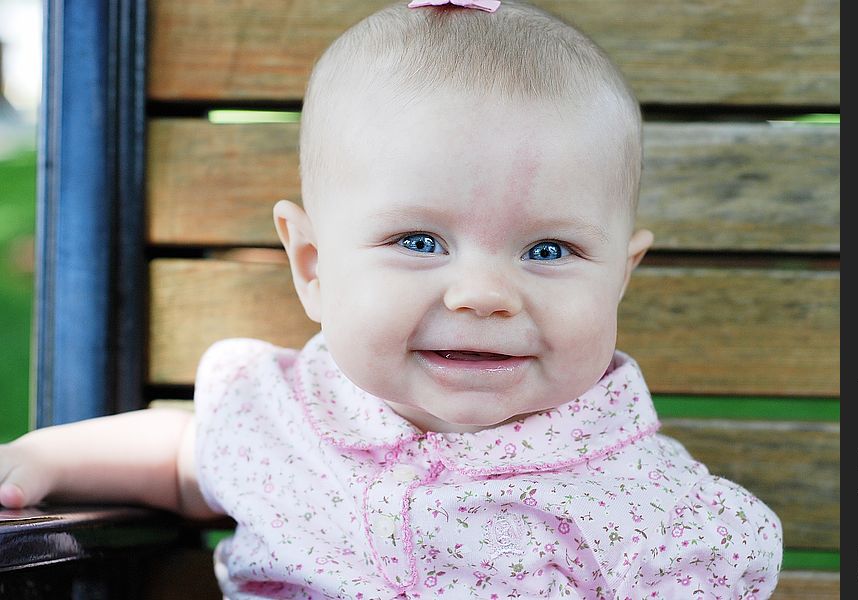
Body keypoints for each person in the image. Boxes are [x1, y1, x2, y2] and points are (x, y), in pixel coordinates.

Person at [0, 1, 782, 597]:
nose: (482, 294)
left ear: (619, 274)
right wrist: (35, 460)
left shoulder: (654, 514)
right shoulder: (283, 417)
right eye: (419, 242)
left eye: (548, 251)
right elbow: (180, 459)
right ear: (311, 264)